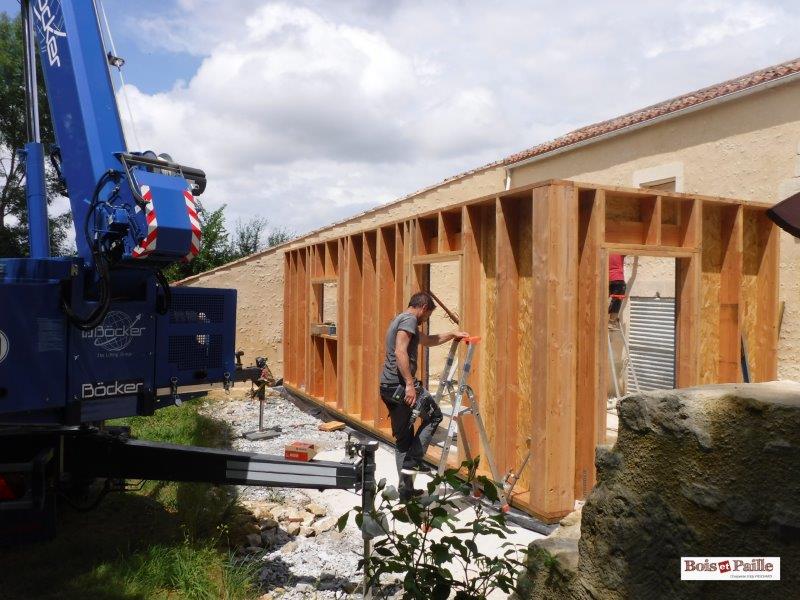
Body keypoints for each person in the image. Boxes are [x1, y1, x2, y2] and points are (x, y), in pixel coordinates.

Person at [379, 291, 468, 501]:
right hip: (401, 387)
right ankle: (414, 461)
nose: (425, 319)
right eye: (427, 316)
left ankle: (406, 492)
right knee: (435, 416)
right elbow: (400, 351)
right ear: (422, 308)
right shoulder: (410, 319)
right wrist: (410, 384)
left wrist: (452, 334)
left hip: (388, 387)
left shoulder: (401, 319)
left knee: (403, 439)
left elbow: (428, 340)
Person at [608, 254, 626, 325]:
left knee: (606, 300)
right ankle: (612, 322)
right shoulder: (619, 249)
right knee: (617, 300)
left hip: (607, 278)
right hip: (618, 278)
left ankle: (604, 318)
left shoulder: (607, 250)